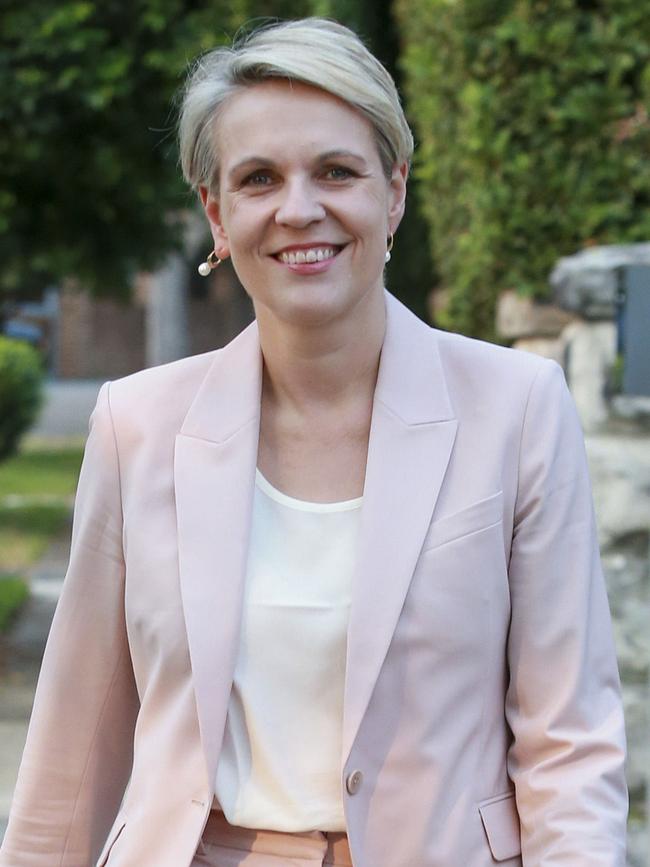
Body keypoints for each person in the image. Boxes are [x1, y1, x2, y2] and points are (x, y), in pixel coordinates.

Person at [0, 17, 628, 867]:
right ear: (217, 214)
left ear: (395, 190)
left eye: (336, 170)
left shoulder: (518, 408)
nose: (301, 208)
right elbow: (72, 751)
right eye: (259, 178)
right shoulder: (135, 424)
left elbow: (569, 743)